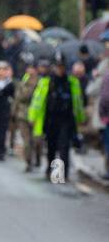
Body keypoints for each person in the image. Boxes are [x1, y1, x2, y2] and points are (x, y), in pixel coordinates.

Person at [29, 53, 84, 183]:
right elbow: (37, 101)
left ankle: (62, 174)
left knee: (64, 146)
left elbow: (77, 102)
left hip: (66, 120)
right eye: (58, 67)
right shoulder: (46, 82)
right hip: (50, 120)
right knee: (51, 147)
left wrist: (81, 119)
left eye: (62, 67)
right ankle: (50, 170)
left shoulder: (72, 82)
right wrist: (33, 117)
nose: (60, 69)